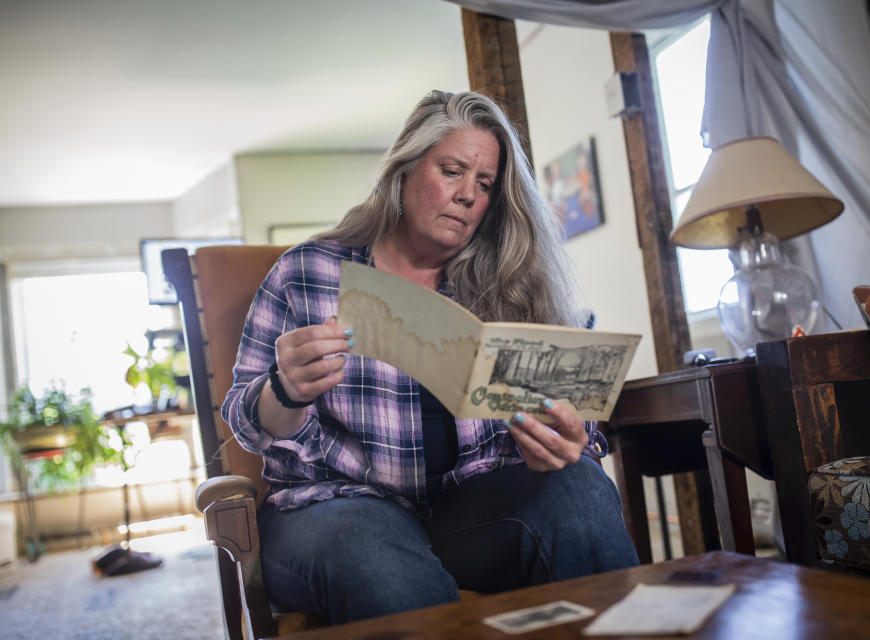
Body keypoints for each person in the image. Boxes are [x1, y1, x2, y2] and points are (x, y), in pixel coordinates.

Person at [222, 89, 639, 625]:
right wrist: (284, 390)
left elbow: (572, 418)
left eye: (484, 183)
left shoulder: (508, 285)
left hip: (469, 507)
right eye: (452, 170)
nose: (468, 194)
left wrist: (567, 440)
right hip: (335, 506)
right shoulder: (306, 273)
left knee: (581, 488)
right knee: (378, 559)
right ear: (405, 170)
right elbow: (243, 421)